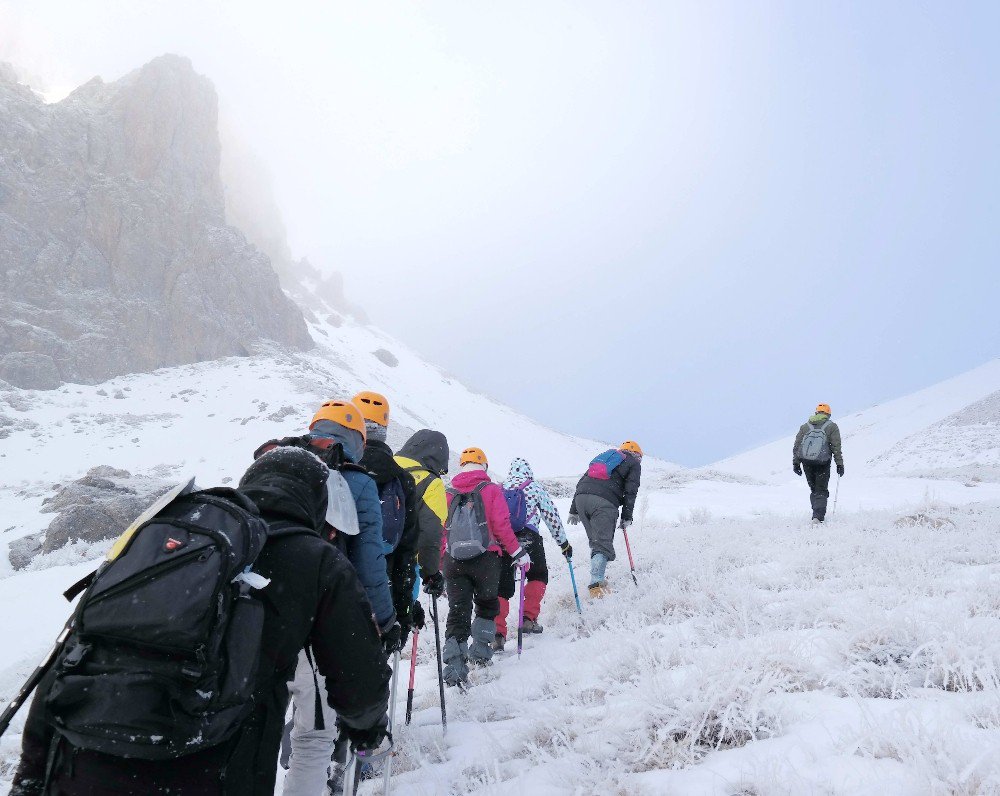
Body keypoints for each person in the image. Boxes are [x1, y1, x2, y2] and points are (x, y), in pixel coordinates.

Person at [10, 447, 390, 796]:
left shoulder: (167, 534)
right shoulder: (316, 559)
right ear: (318, 503)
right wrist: (367, 729)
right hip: (210, 769)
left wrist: (29, 777)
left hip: (80, 760)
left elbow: (71, 653)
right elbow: (359, 678)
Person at [442, 447, 529, 686]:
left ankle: (454, 670)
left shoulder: (447, 491)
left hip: (454, 561)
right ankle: (480, 655)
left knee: (457, 611)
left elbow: (442, 530)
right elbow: (501, 526)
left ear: (461, 466)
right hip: (486, 560)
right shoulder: (491, 490)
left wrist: (441, 562)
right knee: (486, 605)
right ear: (484, 466)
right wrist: (517, 552)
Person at [353, 391, 425, 646]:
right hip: (384, 588)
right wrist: (404, 611)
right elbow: (407, 551)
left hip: (334, 585)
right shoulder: (401, 478)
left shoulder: (331, 468)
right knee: (373, 672)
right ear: (384, 429)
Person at [494, 457, 572, 648]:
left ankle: (497, 634)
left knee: (501, 586)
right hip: (529, 536)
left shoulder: (499, 488)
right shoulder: (534, 487)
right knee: (538, 574)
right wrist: (563, 543)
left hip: (504, 539)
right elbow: (551, 516)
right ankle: (528, 619)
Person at [568, 441, 643, 598]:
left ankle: (598, 579)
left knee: (596, 543)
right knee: (602, 545)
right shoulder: (633, 462)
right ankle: (597, 585)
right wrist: (627, 517)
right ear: (636, 454)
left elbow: (582, 482)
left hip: (581, 500)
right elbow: (631, 491)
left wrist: (574, 510)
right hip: (603, 502)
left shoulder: (605, 458)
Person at [394, 429, 451, 602]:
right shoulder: (431, 482)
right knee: (397, 620)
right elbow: (430, 535)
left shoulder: (387, 464)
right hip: (403, 564)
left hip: (366, 555)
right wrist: (430, 573)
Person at [792, 403, 844, 523]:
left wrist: (796, 463)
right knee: (821, 489)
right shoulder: (832, 426)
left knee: (814, 490)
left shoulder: (805, 426)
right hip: (823, 463)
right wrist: (839, 464)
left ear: (817, 413)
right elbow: (836, 447)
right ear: (828, 414)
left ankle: (816, 513)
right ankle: (818, 517)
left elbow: (797, 446)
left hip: (807, 462)